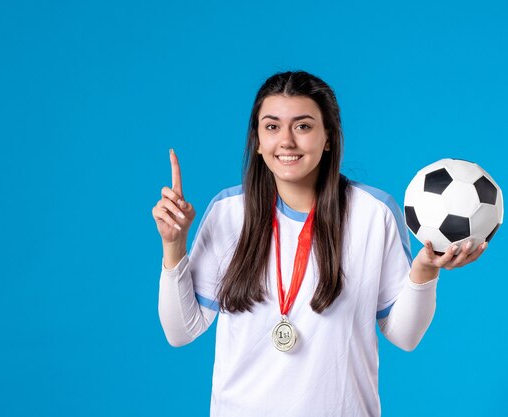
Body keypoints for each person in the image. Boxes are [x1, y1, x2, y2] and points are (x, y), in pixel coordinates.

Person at [151, 71, 486, 417]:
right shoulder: (227, 212)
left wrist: (425, 271)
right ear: (256, 140)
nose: (286, 142)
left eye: (303, 126)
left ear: (328, 137)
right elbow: (180, 331)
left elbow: (405, 336)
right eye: (271, 127)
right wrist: (173, 245)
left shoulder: (374, 213)